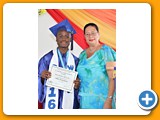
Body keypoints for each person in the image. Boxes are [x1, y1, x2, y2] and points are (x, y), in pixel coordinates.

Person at [38, 19, 80, 109]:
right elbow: (38, 79)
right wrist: (42, 77)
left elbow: (79, 83)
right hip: (52, 101)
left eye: (67, 36)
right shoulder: (46, 59)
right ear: (56, 38)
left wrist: (77, 85)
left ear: (70, 39)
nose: (64, 39)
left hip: (70, 103)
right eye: (60, 36)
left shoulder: (76, 61)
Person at [77, 23, 116, 109]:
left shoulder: (106, 51)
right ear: (84, 37)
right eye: (87, 34)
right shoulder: (82, 55)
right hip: (84, 102)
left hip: (102, 101)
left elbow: (112, 78)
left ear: (98, 35)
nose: (90, 36)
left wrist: (109, 100)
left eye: (93, 33)